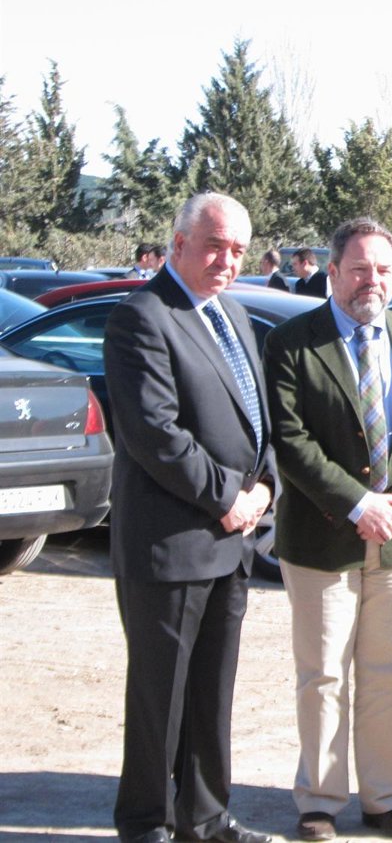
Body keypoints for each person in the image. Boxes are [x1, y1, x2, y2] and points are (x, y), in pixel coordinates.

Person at [263, 218, 392, 841]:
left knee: (390, 673)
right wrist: (356, 503)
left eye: (385, 270)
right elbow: (290, 438)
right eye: (361, 269)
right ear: (334, 271)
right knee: (322, 675)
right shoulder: (293, 342)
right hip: (323, 539)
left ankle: (385, 799)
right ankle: (319, 801)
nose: (374, 280)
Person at [104, 193, 274, 843]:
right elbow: (155, 434)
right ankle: (146, 822)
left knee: (211, 693)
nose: (226, 260)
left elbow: (258, 421)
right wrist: (230, 497)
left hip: (233, 544)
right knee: (161, 697)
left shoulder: (235, 315)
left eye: (238, 250)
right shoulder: (141, 317)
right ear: (177, 245)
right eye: (214, 246)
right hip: (171, 544)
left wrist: (266, 488)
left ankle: (205, 817)